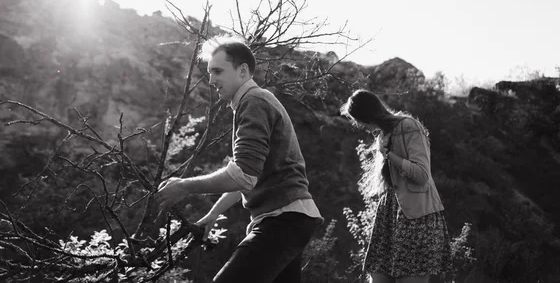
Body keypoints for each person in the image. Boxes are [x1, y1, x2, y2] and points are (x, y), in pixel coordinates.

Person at [156, 36, 322, 283]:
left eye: (218, 71)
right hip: (292, 220)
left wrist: (184, 186)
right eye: (210, 72)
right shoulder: (254, 101)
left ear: (242, 70)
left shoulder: (253, 101)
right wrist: (213, 215)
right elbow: (248, 178)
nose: (211, 80)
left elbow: (243, 175)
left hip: (283, 220)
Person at [340, 89, 453, 283]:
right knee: (377, 279)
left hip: (417, 215)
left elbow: (422, 175)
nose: (359, 125)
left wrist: (390, 155)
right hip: (389, 213)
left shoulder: (409, 126)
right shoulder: (382, 135)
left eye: (358, 119)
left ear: (367, 115)